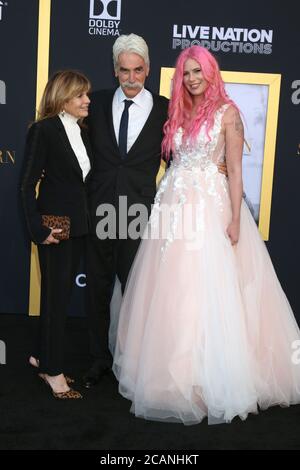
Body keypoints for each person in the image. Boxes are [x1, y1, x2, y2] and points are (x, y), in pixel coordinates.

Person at [112, 46, 300, 424]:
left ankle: (207, 381)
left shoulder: (229, 114)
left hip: (209, 209)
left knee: (204, 289)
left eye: (199, 71)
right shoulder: (177, 112)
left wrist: (234, 219)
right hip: (171, 209)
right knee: (171, 289)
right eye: (187, 73)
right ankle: (171, 377)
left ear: (211, 72)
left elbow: (234, 170)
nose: (193, 78)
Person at [83, 34, 227, 388]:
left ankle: (131, 361)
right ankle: (97, 358)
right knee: (97, 288)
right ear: (115, 71)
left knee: (138, 290)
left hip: (142, 214)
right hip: (99, 210)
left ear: (147, 69)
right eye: (124, 71)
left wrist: (214, 165)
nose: (131, 78)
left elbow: (182, 154)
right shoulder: (96, 104)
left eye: (138, 70)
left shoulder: (167, 109)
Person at [21, 70, 93, 399]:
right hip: (54, 226)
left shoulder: (82, 130)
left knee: (58, 296)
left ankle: (41, 356)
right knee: (55, 299)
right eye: (80, 95)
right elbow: (25, 184)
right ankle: (53, 371)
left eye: (86, 95)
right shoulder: (43, 130)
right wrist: (38, 229)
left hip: (77, 226)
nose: (86, 100)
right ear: (63, 98)